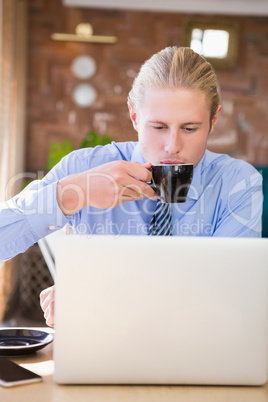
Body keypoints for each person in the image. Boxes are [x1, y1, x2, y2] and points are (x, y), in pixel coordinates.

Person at [0, 46, 263, 327]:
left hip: (197, 348)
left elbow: (229, 293)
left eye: (190, 128)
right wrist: (72, 194)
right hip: (99, 348)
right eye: (158, 127)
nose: (172, 146)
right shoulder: (83, 167)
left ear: (213, 120)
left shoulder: (238, 184)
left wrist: (93, 290)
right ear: (134, 116)